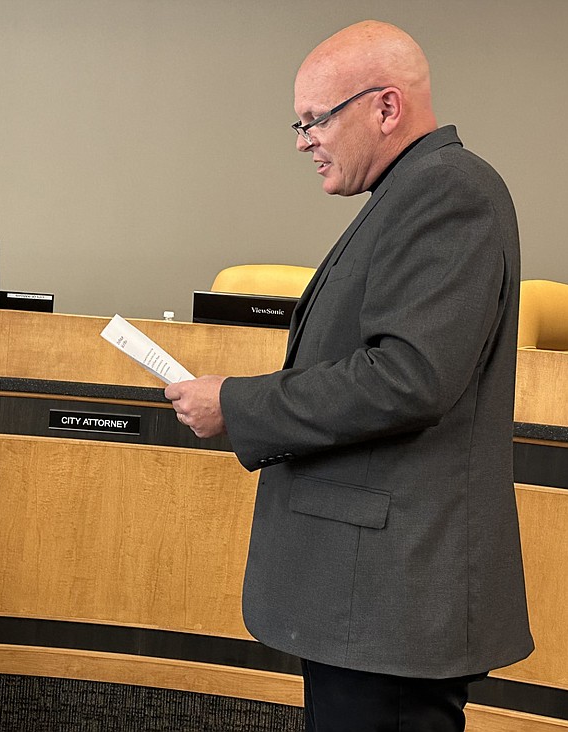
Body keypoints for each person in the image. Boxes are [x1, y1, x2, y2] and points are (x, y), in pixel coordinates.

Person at [166, 20, 532, 732]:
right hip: (368, 602)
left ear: (385, 107)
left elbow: (407, 377)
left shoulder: (448, 192)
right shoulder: (411, 192)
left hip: (389, 604)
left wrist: (238, 405)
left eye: (315, 121)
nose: (304, 141)